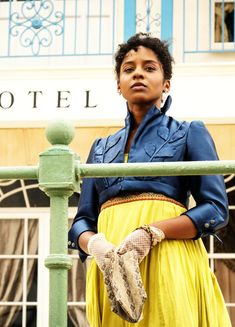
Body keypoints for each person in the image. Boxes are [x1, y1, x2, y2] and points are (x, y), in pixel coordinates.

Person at [68, 33, 232, 327]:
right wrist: (94, 245)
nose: (138, 73)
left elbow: (216, 209)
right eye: (128, 69)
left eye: (149, 67)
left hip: (168, 258)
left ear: (166, 83)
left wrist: (151, 233)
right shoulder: (100, 147)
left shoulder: (189, 132)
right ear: (119, 85)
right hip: (112, 268)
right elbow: (82, 220)